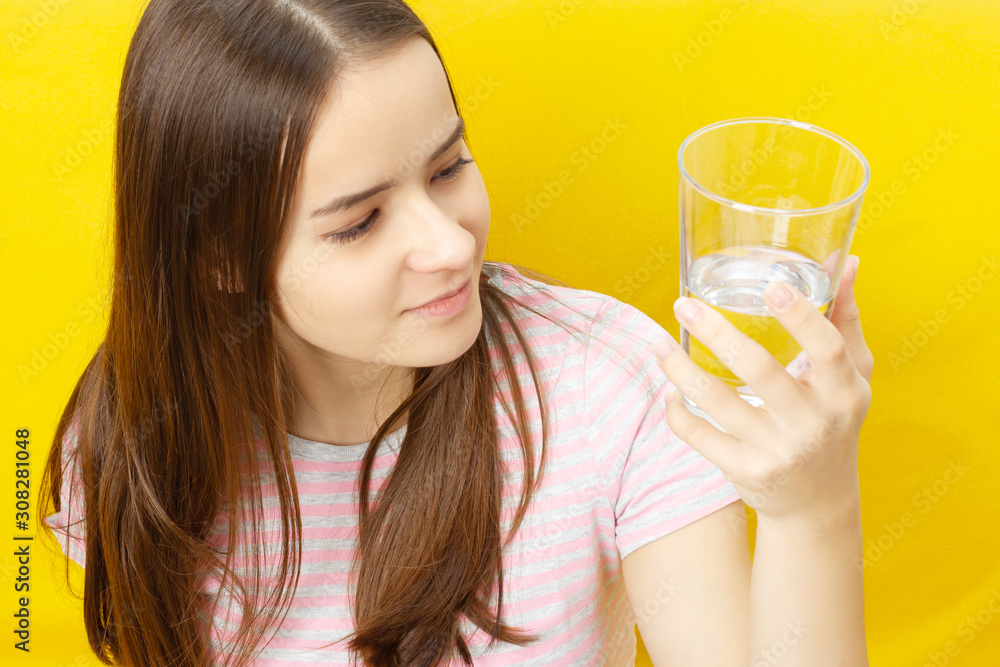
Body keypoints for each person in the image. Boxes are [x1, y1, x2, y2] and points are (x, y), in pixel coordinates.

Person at [40, 1, 875, 666]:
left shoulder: (606, 387)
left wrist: (817, 508)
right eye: (360, 222)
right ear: (221, 256)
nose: (451, 245)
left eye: (448, 167)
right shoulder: (132, 437)